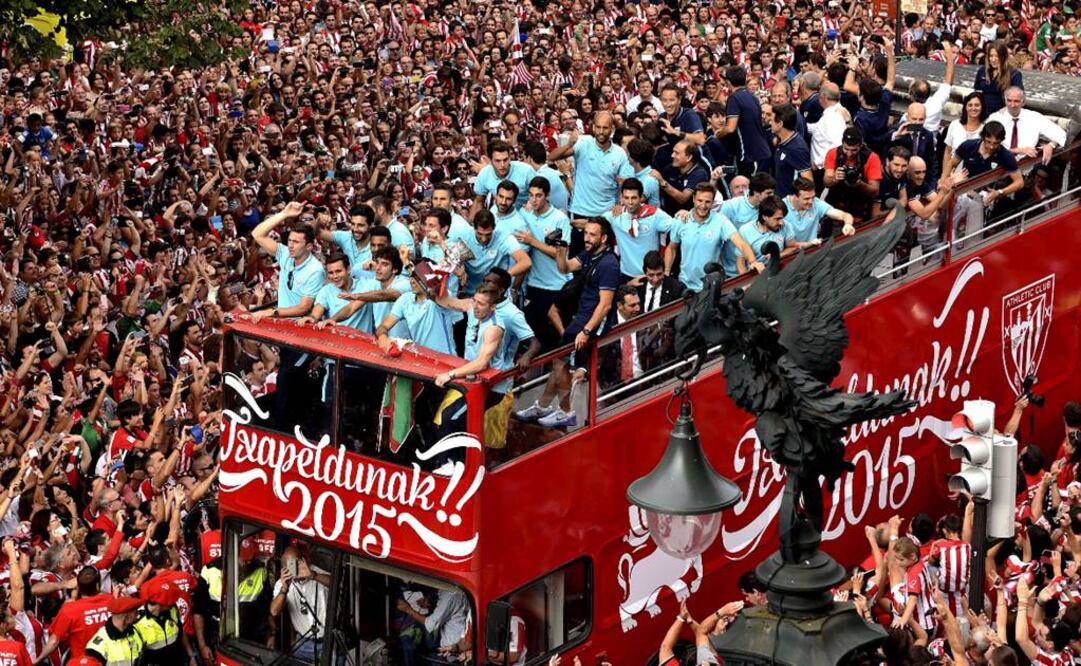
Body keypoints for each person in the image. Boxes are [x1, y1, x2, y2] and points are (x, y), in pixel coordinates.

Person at [517, 219, 620, 429]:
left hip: (590, 320)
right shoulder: (590, 254)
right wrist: (561, 250)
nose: (587, 238)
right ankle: (544, 406)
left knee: (560, 363)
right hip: (581, 315)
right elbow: (565, 268)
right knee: (558, 361)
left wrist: (587, 330)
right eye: (586, 233)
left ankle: (565, 412)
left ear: (604, 238)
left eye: (592, 235)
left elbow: (606, 305)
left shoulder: (609, 264)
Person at [548, 112, 634, 255]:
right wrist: (569, 143)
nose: (601, 131)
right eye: (598, 127)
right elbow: (552, 157)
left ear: (611, 130)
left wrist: (620, 203)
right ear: (593, 127)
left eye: (605, 128)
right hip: (580, 212)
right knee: (577, 257)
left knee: (603, 258)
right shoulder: (583, 143)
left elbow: (626, 184)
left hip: (605, 215)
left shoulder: (619, 154)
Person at [514, 177, 573, 352]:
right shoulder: (525, 214)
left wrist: (533, 241)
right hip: (534, 285)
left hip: (558, 285)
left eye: (538, 195)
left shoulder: (559, 218)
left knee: (557, 338)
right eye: (531, 195)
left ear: (547, 196)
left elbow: (560, 253)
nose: (534, 199)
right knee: (534, 336)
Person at [942, 121, 1025, 240]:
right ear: (983, 137)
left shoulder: (1005, 156)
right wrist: (945, 180)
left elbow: (1019, 182)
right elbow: (951, 163)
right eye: (988, 142)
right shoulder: (968, 146)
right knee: (950, 229)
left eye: (996, 143)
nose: (991, 146)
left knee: (973, 235)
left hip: (983, 199)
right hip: (962, 193)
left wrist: (999, 192)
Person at [672, 184, 763, 287]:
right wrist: (666, 272)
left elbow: (741, 243)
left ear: (712, 202)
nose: (703, 206)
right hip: (684, 284)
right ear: (693, 199)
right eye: (700, 200)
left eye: (707, 202)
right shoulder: (682, 219)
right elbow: (671, 248)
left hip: (711, 285)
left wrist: (753, 262)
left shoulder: (721, 221)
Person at [249, 201, 326, 322]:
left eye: (296, 242)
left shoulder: (315, 270)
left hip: (301, 327)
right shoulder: (285, 253)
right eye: (290, 240)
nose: (290, 245)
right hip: (282, 322)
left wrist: (272, 312)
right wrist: (284, 214)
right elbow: (257, 234)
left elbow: (303, 308)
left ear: (309, 246)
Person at [375, 264, 456, 358]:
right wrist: (383, 338)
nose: (412, 281)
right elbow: (383, 326)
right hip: (422, 359)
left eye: (417, 277)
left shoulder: (440, 298)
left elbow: (439, 291)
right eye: (411, 276)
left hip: (446, 360)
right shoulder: (405, 299)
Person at [604, 179, 675, 282]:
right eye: (626, 198)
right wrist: (572, 223)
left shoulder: (655, 214)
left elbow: (678, 227)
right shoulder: (615, 215)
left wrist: (683, 214)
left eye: (634, 198)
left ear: (641, 197)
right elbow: (593, 224)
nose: (630, 202)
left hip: (650, 276)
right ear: (621, 198)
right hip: (625, 275)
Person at [270, 545, 331, 662]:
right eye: (290, 565)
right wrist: (284, 588)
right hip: (304, 643)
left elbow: (337, 585)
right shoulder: (282, 584)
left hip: (329, 643)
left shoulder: (317, 573)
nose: (295, 568)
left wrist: (313, 576)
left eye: (297, 562)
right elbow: (274, 611)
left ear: (303, 560)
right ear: (284, 568)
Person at [716, 65, 773, 176]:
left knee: (752, 190)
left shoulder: (734, 98)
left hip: (751, 155)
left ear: (728, 82)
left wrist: (718, 134)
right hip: (763, 151)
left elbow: (731, 128)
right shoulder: (752, 97)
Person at [987, 87, 1067, 166]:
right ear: (1005, 101)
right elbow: (984, 146)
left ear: (1023, 102)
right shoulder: (994, 118)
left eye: (1016, 101)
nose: (1012, 105)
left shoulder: (1034, 117)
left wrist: (1051, 145)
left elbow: (1061, 134)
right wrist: (1016, 150)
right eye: (1009, 101)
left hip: (1026, 167)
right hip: (998, 167)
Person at [823, 127, 883, 223]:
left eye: (854, 150)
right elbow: (826, 181)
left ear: (860, 146)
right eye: (846, 149)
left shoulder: (872, 158)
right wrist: (835, 178)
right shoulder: (833, 153)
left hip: (859, 207)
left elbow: (875, 191)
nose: (849, 154)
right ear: (842, 144)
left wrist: (859, 184)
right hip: (835, 203)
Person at [783, 178, 855, 244]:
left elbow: (844, 215)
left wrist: (848, 224)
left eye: (813, 197)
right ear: (795, 197)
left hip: (812, 251)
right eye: (806, 199)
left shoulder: (816, 203)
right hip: (791, 256)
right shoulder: (781, 208)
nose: (811, 201)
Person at [472, 141, 536, 213]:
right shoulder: (484, 173)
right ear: (490, 161)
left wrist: (532, 203)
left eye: (505, 160)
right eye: (497, 161)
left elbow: (541, 194)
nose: (502, 165)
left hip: (526, 214)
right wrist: (469, 224)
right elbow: (478, 202)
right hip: (500, 216)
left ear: (510, 158)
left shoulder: (526, 171)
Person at [83, 596, 145, 666]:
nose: (138, 615)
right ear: (126, 617)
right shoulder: (97, 647)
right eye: (135, 612)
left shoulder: (134, 632)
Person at [654, 140, 711, 215]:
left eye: (676, 153)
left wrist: (662, 182)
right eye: (673, 152)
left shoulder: (699, 174)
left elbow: (683, 198)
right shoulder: (669, 169)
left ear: (689, 157)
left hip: (689, 219)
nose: (672, 155)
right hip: (668, 216)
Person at [770, 104, 813, 198]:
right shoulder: (781, 141)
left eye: (772, 120)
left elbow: (808, 181)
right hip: (781, 200)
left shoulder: (797, 149)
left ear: (780, 124)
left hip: (792, 206)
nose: (770, 123)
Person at [890, 103, 938, 184]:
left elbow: (931, 162)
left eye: (921, 119)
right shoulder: (898, 130)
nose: (917, 123)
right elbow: (884, 140)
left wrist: (932, 184)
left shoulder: (928, 135)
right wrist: (897, 135)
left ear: (925, 118)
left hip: (918, 179)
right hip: (898, 177)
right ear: (907, 117)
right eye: (914, 119)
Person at [942, 92, 988, 175]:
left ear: (982, 107)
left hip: (974, 177)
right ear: (965, 107)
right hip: (953, 175)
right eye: (970, 105)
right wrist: (945, 175)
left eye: (977, 105)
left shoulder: (986, 129)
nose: (973, 108)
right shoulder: (955, 125)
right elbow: (947, 153)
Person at [974, 40, 1023, 114]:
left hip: (1003, 113)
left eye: (997, 56)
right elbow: (976, 91)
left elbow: (1019, 96)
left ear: (1003, 57)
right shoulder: (982, 71)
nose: (993, 59)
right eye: (991, 56)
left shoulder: (1014, 74)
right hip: (983, 112)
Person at [521, 141, 570, 213]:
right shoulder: (553, 172)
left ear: (529, 159)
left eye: (523, 158)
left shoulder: (539, 178)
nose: (522, 162)